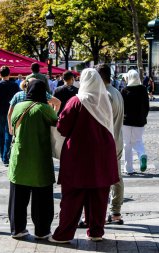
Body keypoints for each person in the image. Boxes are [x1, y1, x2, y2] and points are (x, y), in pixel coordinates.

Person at [50, 68, 118, 243]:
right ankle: (96, 231)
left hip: (78, 155)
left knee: (72, 196)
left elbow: (62, 127)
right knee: (99, 196)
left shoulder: (76, 101)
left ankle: (64, 234)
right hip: (103, 154)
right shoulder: (105, 101)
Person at [8, 79, 58, 239]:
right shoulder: (44, 108)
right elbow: (57, 123)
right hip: (39, 159)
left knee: (18, 198)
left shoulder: (18, 107)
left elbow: (11, 127)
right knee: (42, 198)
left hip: (19, 158)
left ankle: (17, 229)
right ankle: (42, 230)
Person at [96, 64, 125, 225]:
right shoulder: (117, 92)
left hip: (106, 142)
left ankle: (107, 212)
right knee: (117, 177)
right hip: (117, 139)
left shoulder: (105, 95)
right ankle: (116, 212)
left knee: (103, 178)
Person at [0, 66, 20, 166]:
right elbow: (18, 99)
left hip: (0, 112)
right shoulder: (14, 85)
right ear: (9, 74)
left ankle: (3, 155)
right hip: (11, 112)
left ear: (0, 74)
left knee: (1, 134)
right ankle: (6, 156)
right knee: (9, 134)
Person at [121, 69, 150, 175]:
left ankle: (128, 169)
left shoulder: (124, 90)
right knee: (138, 140)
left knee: (126, 144)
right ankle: (142, 154)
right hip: (139, 121)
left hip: (126, 121)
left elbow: (121, 107)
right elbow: (147, 106)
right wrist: (143, 117)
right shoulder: (143, 89)